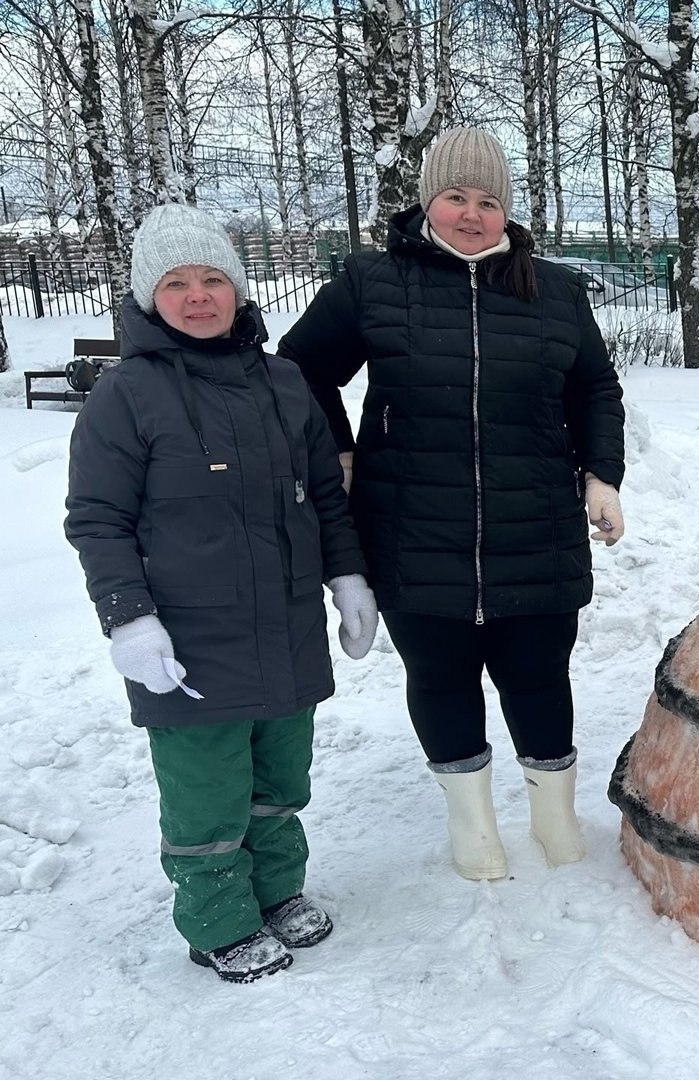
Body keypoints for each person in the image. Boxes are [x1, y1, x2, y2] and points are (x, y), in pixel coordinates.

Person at [277, 127, 626, 881]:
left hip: (533, 523)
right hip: (411, 527)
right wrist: (338, 450)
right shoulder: (373, 282)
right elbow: (301, 367)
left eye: (488, 201)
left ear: (507, 210)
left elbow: (594, 387)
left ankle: (551, 814)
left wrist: (601, 476)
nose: (472, 214)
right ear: (428, 201)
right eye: (456, 197)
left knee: (539, 675)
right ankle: (471, 826)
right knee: (440, 679)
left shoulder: (556, 290)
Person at [65, 204, 378, 983]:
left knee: (281, 779)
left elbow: (325, 494)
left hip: (287, 625)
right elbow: (97, 519)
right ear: (149, 297)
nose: (198, 296)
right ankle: (217, 922)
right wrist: (129, 621)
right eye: (177, 283)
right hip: (188, 640)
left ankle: (276, 893)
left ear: (238, 289)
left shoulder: (283, 382)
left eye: (213, 279)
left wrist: (347, 577)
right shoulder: (125, 396)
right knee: (207, 792)